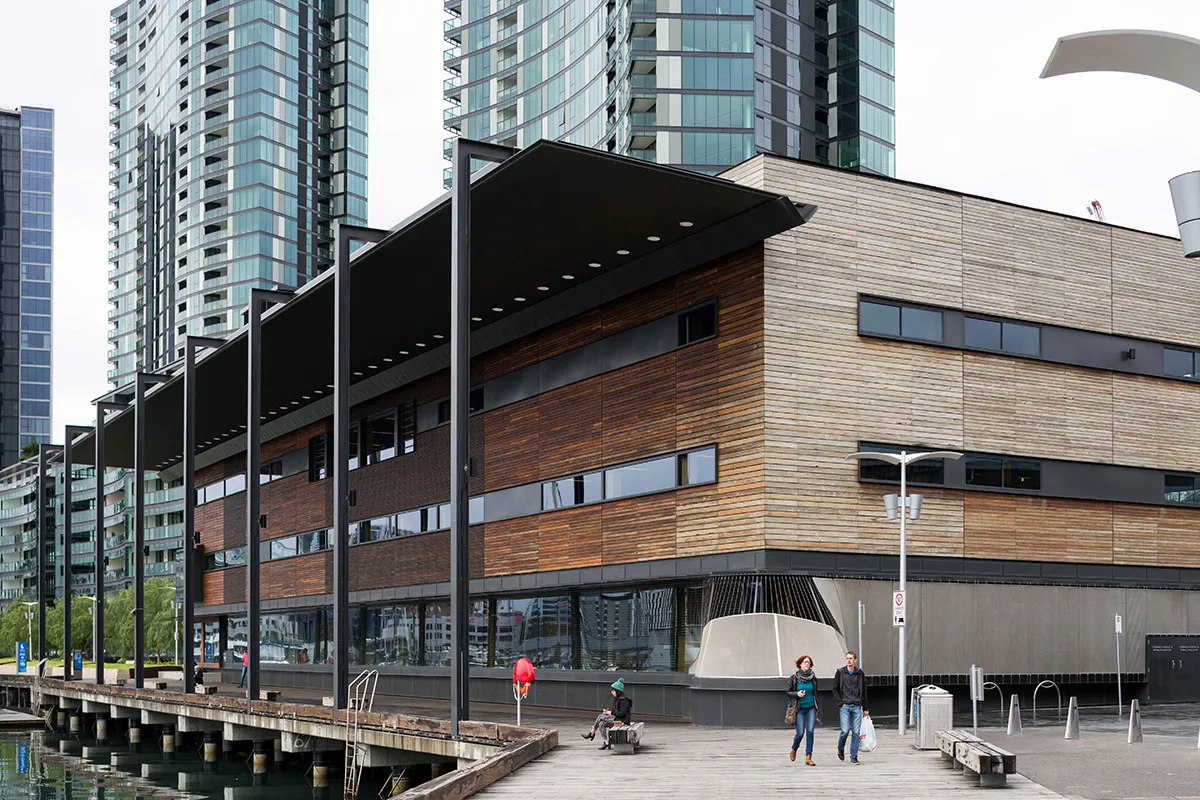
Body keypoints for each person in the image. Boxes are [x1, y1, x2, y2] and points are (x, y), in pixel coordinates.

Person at [832, 650, 869, 764]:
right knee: (845, 730)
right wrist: (840, 703)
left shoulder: (860, 673)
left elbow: (864, 690)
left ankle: (854, 756)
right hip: (845, 705)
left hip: (857, 705)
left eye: (851, 658)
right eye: (847, 658)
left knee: (856, 732)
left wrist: (866, 708)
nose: (849, 660)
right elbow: (835, 689)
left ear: (855, 660)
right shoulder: (841, 672)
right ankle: (841, 747)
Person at [580, 678, 632, 750]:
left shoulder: (624, 700)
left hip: (622, 721)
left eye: (613, 691)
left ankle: (592, 732)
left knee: (600, 716)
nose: (612, 692)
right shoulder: (617, 699)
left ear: (618, 691)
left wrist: (610, 713)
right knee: (601, 723)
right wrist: (609, 714)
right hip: (617, 719)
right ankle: (606, 742)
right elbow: (616, 712)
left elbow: (622, 713)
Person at [786, 655, 818, 766]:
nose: (807, 664)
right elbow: (788, 692)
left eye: (808, 662)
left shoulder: (813, 678)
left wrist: (816, 705)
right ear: (800, 664)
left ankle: (808, 757)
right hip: (799, 709)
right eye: (805, 662)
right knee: (800, 733)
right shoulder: (794, 678)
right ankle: (794, 749)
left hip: (811, 708)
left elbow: (815, 693)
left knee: (810, 731)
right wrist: (797, 694)